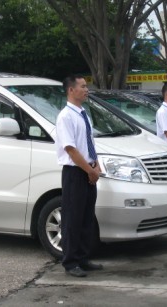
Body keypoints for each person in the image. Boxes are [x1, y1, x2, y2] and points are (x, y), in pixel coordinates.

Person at [55, 74, 103, 278]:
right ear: (71, 90)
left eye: (86, 86)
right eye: (83, 86)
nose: (86, 89)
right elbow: (71, 150)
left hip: (89, 170)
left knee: (86, 217)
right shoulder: (65, 116)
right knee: (72, 219)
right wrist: (89, 170)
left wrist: (96, 165)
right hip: (76, 172)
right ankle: (70, 261)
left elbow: (88, 143)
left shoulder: (83, 113)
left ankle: (83, 258)